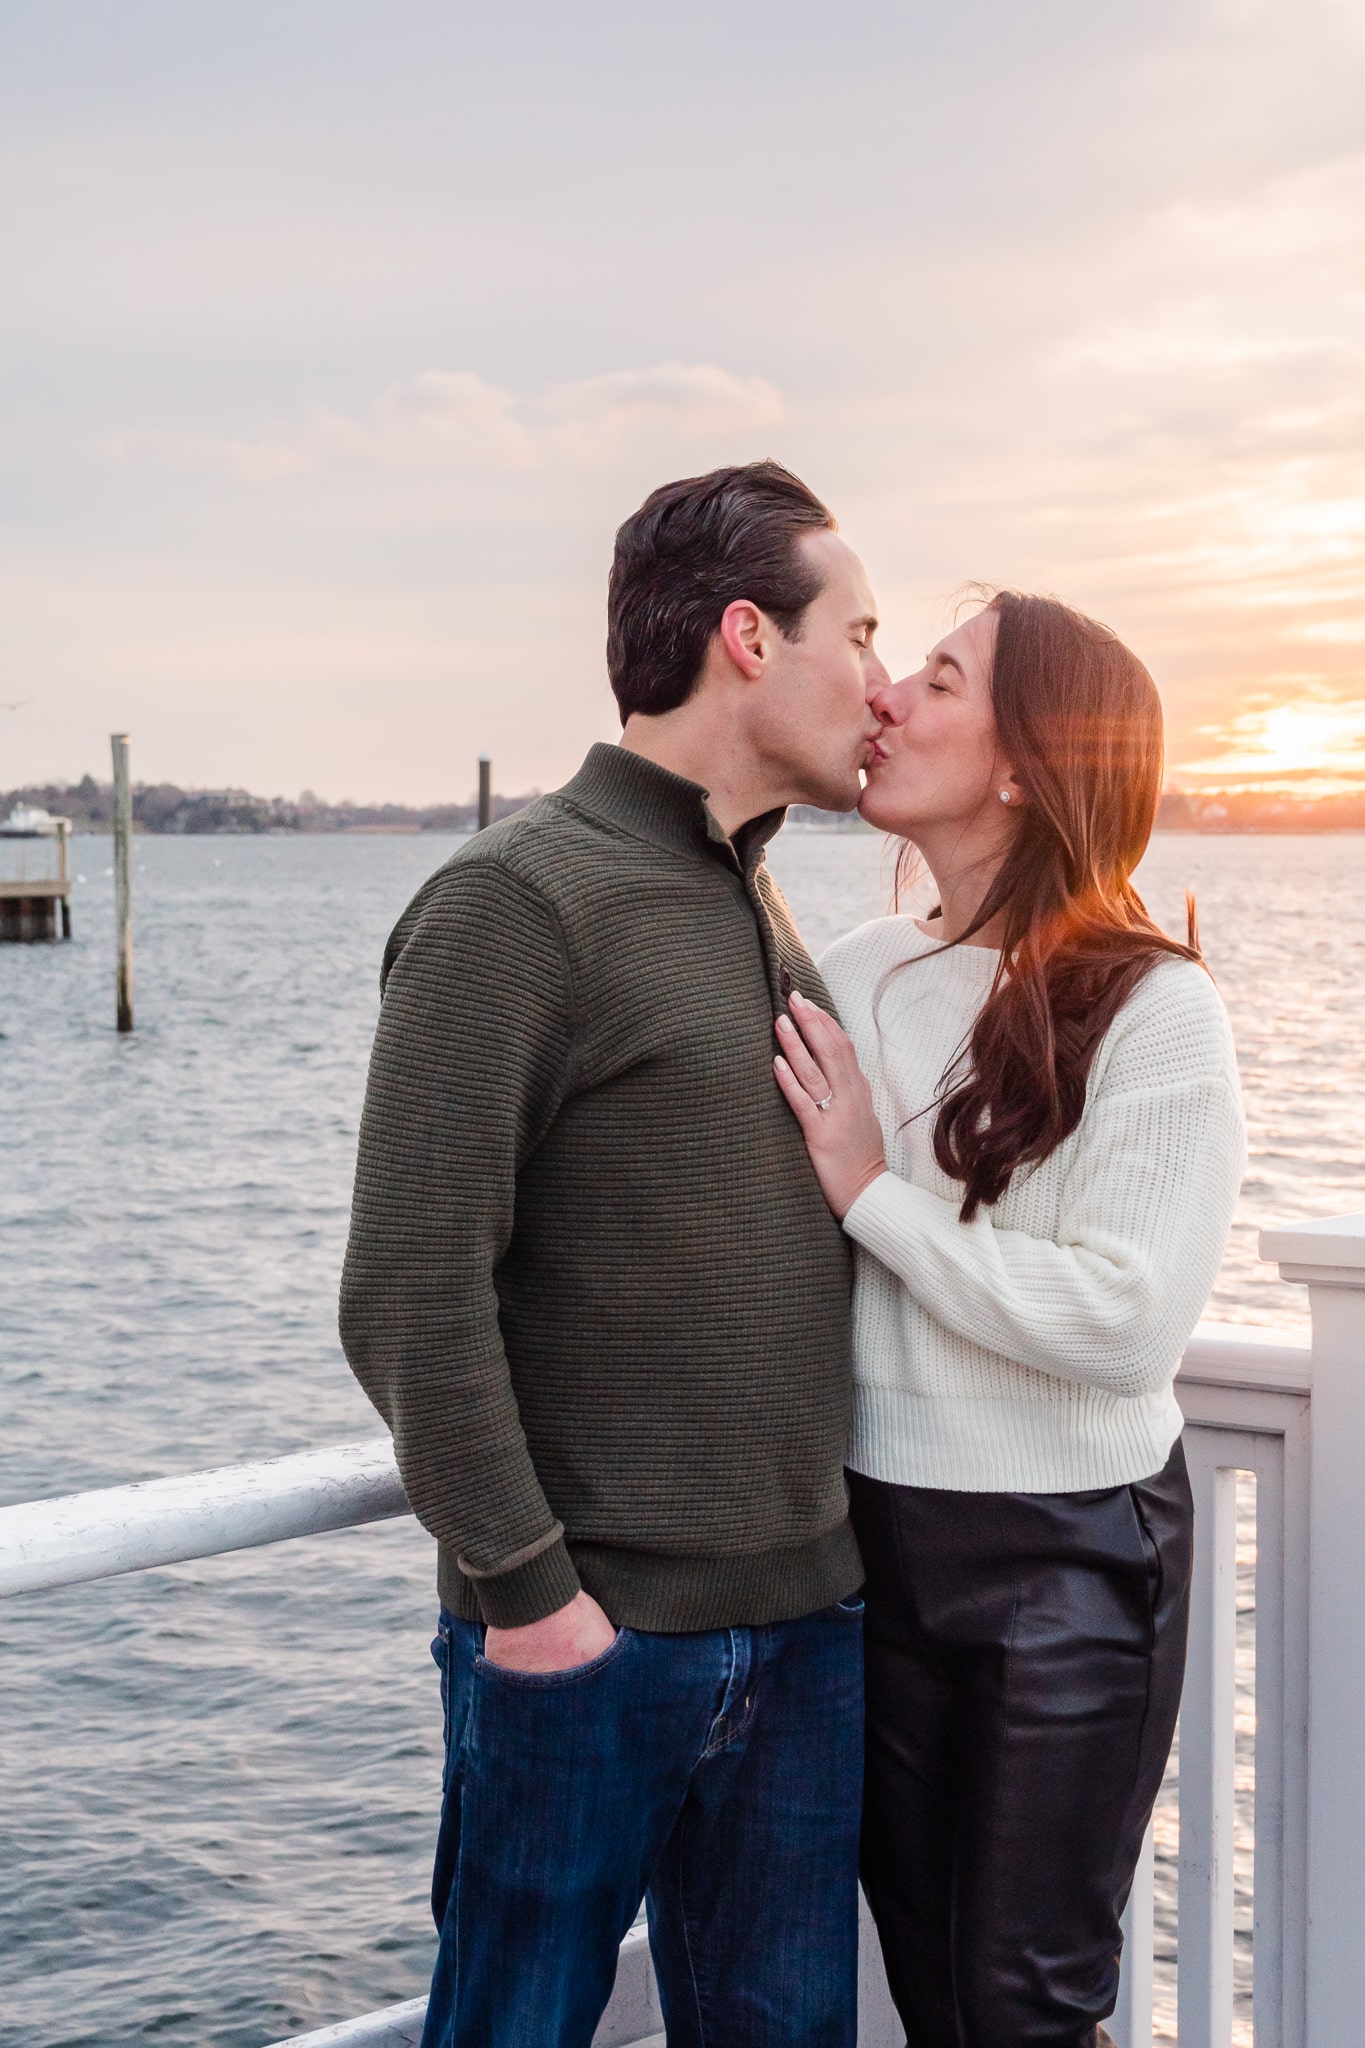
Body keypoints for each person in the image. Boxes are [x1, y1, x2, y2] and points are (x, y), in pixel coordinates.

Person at [339, 460, 890, 2048]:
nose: (875, 677)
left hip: (803, 1633)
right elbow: (404, 1291)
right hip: (591, 1648)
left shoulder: (763, 904)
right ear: (744, 637)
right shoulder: (519, 900)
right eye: (855, 632)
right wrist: (532, 1601)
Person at [773, 591, 1246, 2048]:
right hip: (876, 1542)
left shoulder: (1154, 1008)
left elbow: (1121, 1323)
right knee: (932, 1995)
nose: (884, 701)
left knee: (1020, 2006)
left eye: (936, 678)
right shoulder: (850, 974)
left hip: (1071, 1551)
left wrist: (870, 1194)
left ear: (1026, 763)